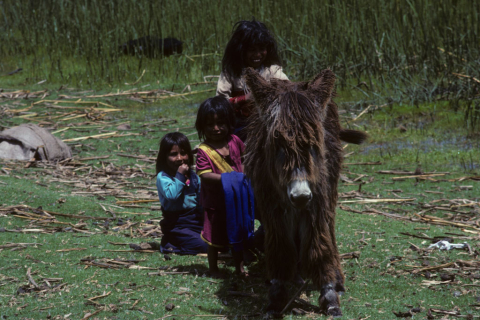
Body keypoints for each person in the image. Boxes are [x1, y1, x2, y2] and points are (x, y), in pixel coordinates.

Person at [195, 96, 254, 277]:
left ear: (229, 122)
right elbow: (204, 175)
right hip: (215, 202)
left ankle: (240, 268)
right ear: (202, 127)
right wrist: (230, 179)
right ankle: (213, 268)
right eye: (209, 125)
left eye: (220, 123)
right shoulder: (204, 151)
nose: (216, 129)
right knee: (213, 237)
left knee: (238, 233)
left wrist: (243, 176)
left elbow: (244, 159)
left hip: (236, 200)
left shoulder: (234, 141)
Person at [217, 19, 288, 141]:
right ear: (240, 50)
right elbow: (219, 103)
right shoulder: (231, 72)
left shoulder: (272, 71)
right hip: (239, 126)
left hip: (269, 125)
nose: (258, 54)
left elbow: (288, 89)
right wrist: (244, 99)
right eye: (252, 50)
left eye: (261, 49)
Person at [155, 132, 208, 255]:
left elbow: (201, 200)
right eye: (174, 154)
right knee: (203, 245)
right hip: (177, 226)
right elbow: (172, 196)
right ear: (164, 157)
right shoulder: (163, 177)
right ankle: (171, 245)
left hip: (195, 222)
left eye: (183, 153)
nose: (180, 158)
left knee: (217, 241)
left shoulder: (194, 177)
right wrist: (180, 176)